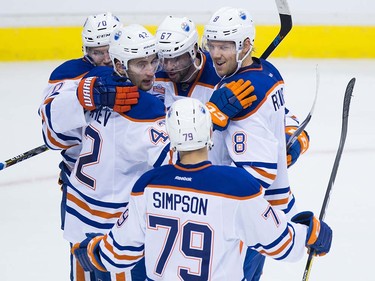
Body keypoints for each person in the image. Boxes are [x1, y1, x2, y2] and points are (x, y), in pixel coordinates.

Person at [70, 98, 332, 280]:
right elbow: (281, 244)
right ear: (210, 133)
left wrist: (91, 251)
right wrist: (309, 233)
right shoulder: (237, 187)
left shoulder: (146, 186)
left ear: (170, 136)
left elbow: (118, 253)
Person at [53, 23, 172, 281]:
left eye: (153, 61)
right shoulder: (147, 108)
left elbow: (53, 124)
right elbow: (173, 163)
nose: (151, 71)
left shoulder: (97, 87)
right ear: (119, 65)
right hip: (114, 228)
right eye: (141, 64)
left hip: (78, 216)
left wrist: (83, 95)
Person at [201, 6, 310, 280]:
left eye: (225, 46)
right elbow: (283, 118)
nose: (215, 54)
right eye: (212, 44)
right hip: (271, 209)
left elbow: (256, 176)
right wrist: (293, 138)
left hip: (243, 217)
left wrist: (210, 120)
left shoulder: (239, 94)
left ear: (246, 45)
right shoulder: (269, 72)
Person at [152, 15, 309, 168]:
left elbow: (276, 113)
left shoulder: (223, 76)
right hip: (166, 172)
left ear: (194, 50)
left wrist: (296, 137)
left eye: (177, 58)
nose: (169, 66)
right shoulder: (153, 75)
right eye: (163, 58)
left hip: (218, 177)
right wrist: (210, 116)